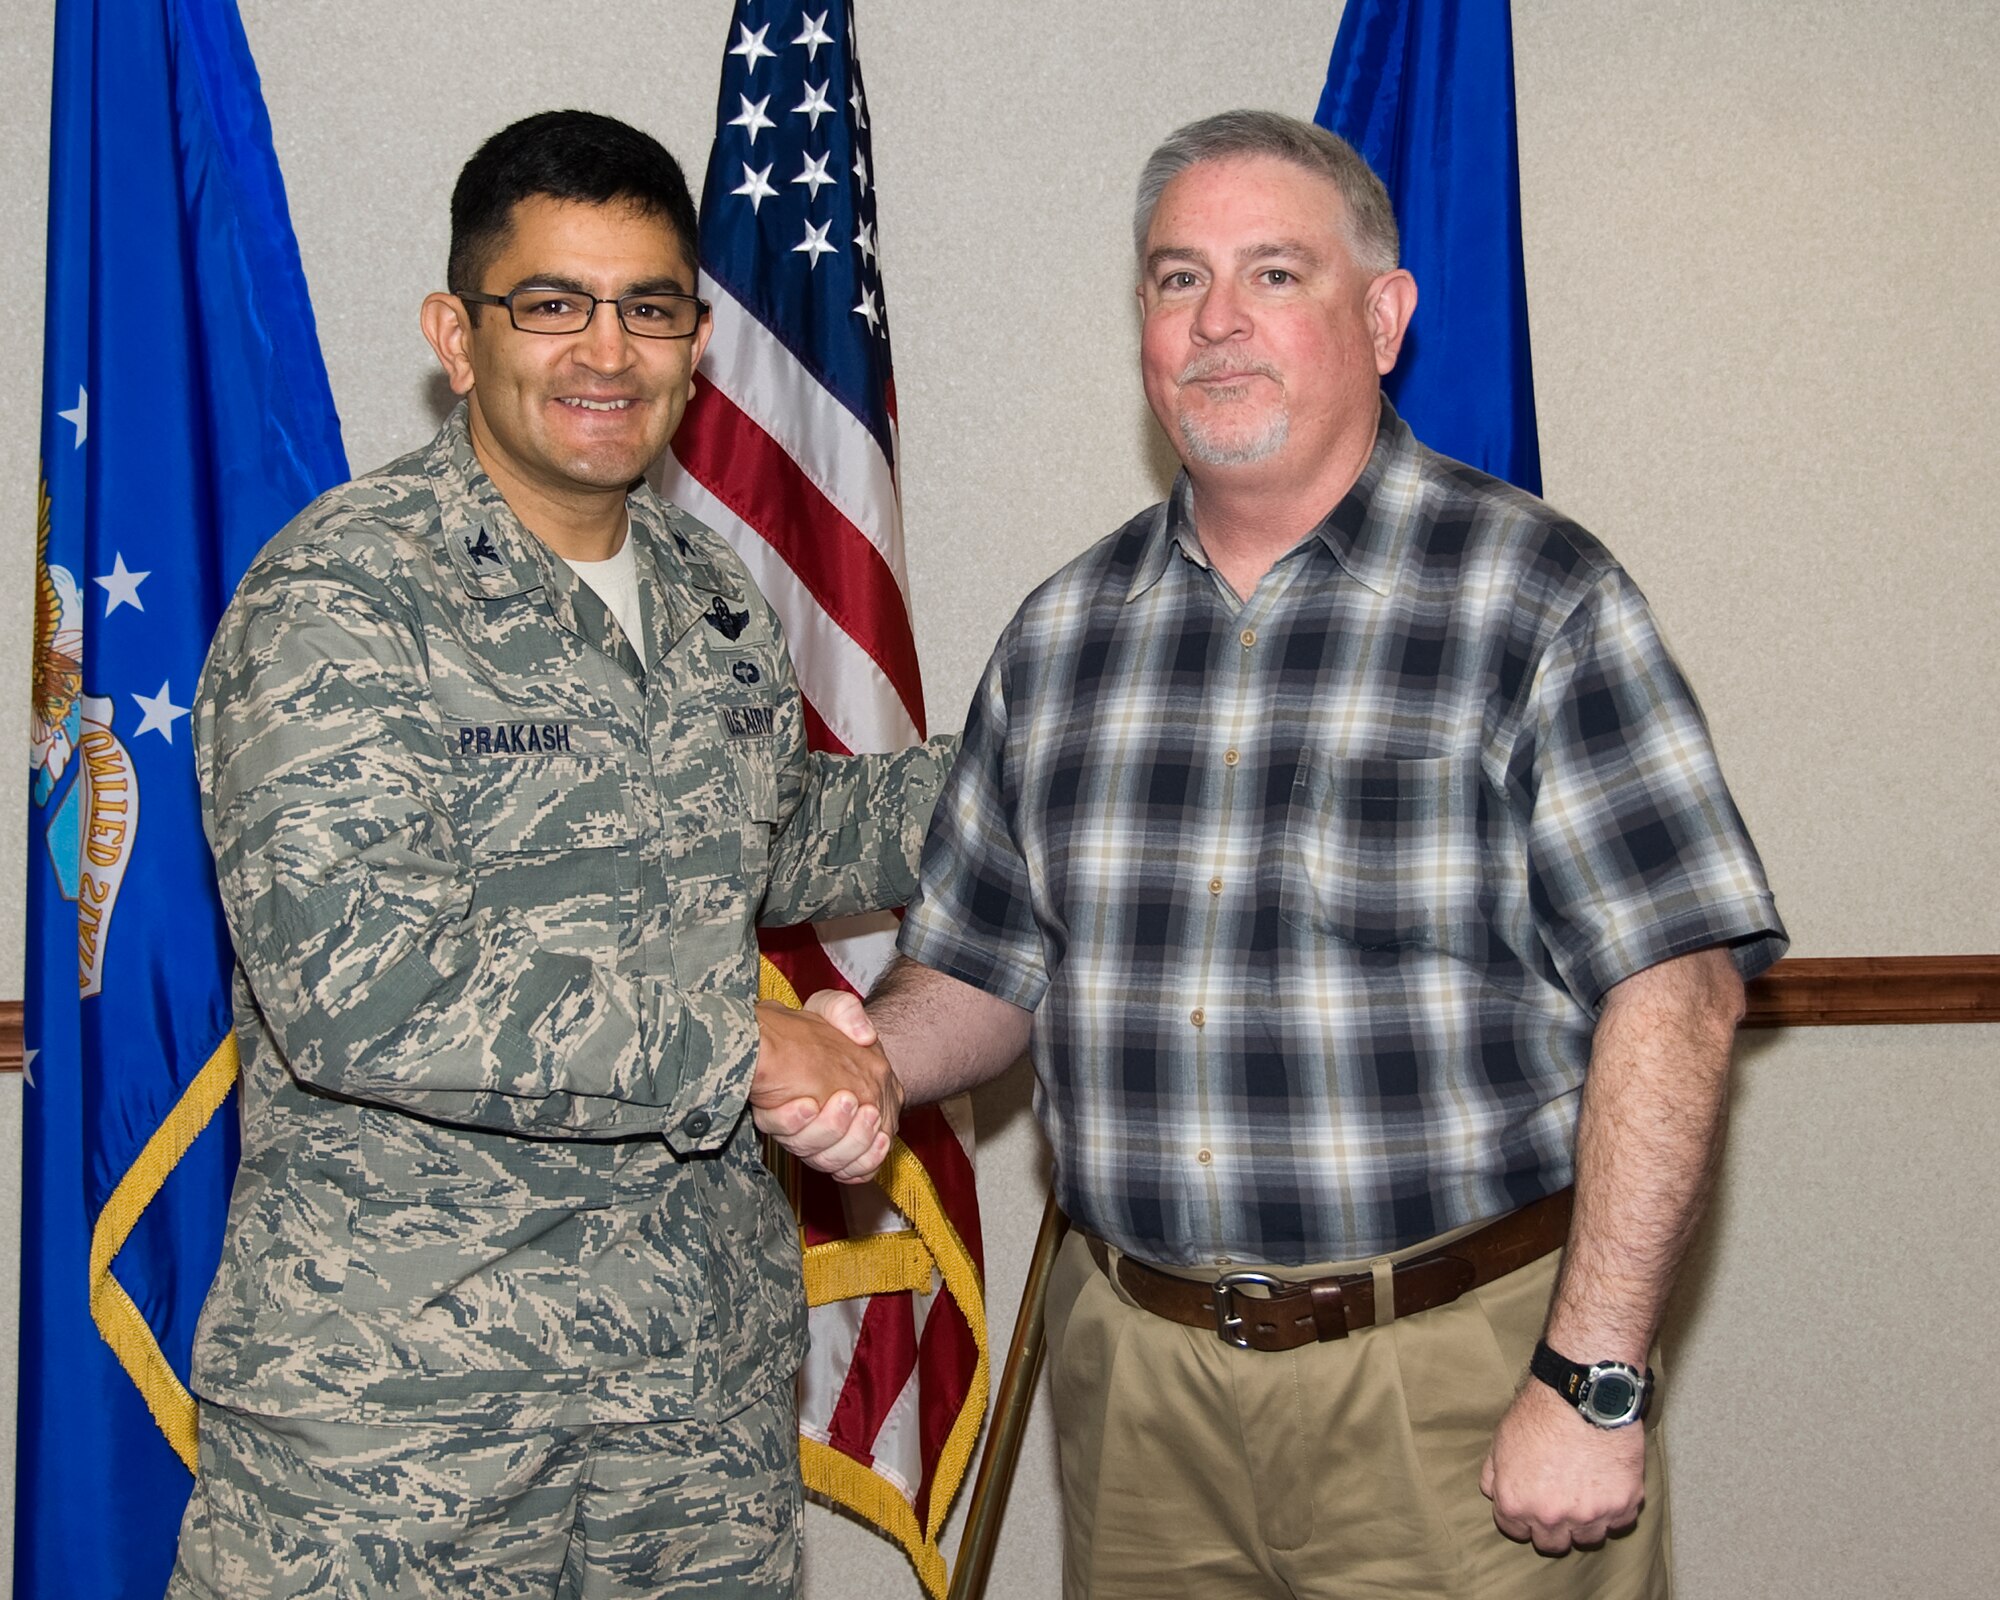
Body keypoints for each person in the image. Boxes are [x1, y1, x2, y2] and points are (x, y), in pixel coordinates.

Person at [816, 110, 1786, 1598]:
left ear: (1383, 317)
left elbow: (1679, 995)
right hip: (1139, 1387)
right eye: (1174, 279)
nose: (1215, 323)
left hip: (1449, 1383)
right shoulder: (1064, 636)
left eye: (1275, 274)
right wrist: (861, 1057)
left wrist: (1592, 1375)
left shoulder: (1537, 600)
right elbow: (986, 978)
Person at [170, 110, 944, 1599]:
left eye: (648, 308)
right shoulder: (342, 598)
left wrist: (1044, 777)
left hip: (691, 1406)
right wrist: (755, 1051)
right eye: (552, 306)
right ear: (457, 337)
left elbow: (765, 839)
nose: (607, 352)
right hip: (406, 1430)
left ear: (697, 341)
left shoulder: (708, 592)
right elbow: (363, 988)